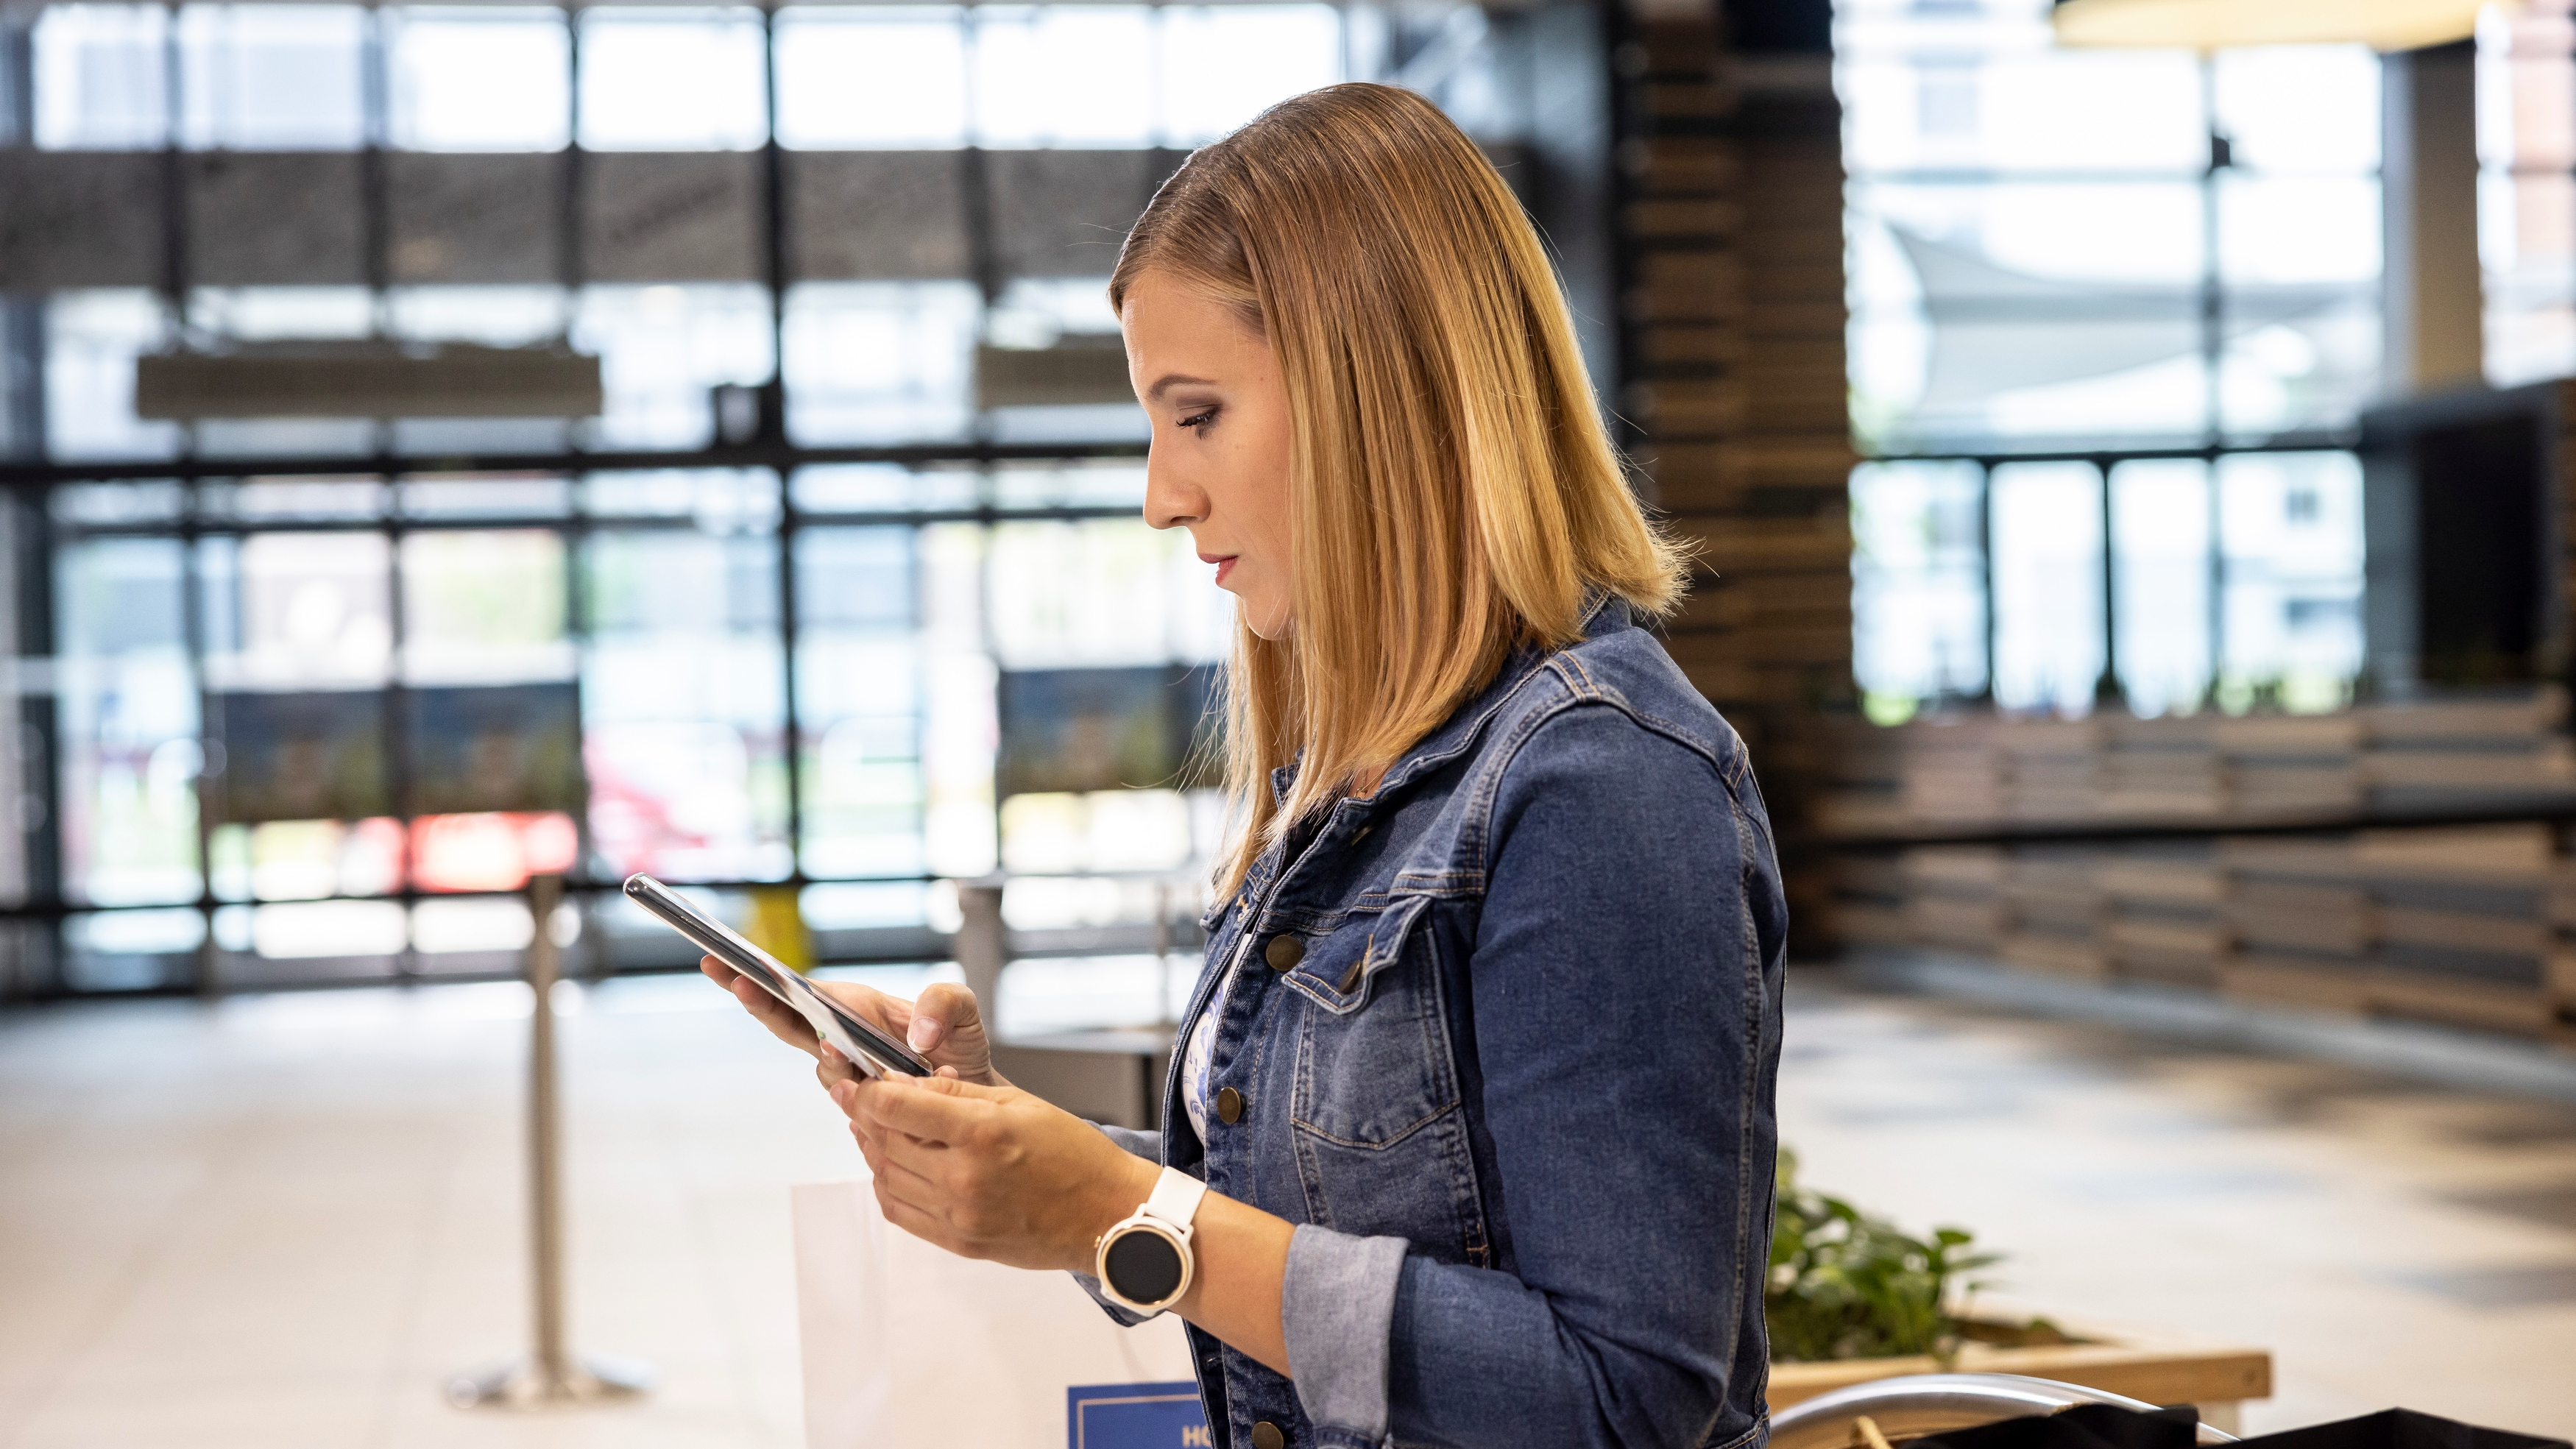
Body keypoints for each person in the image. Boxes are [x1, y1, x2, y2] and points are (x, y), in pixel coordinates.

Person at [706, 81, 1787, 1449]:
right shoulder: (1361, 778)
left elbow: (1621, 1397)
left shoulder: (1602, 785)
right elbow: (1349, 1212)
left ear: (1375, 395)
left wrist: (1122, 1213)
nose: (1163, 491)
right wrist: (1036, 1161)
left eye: (1199, 413)